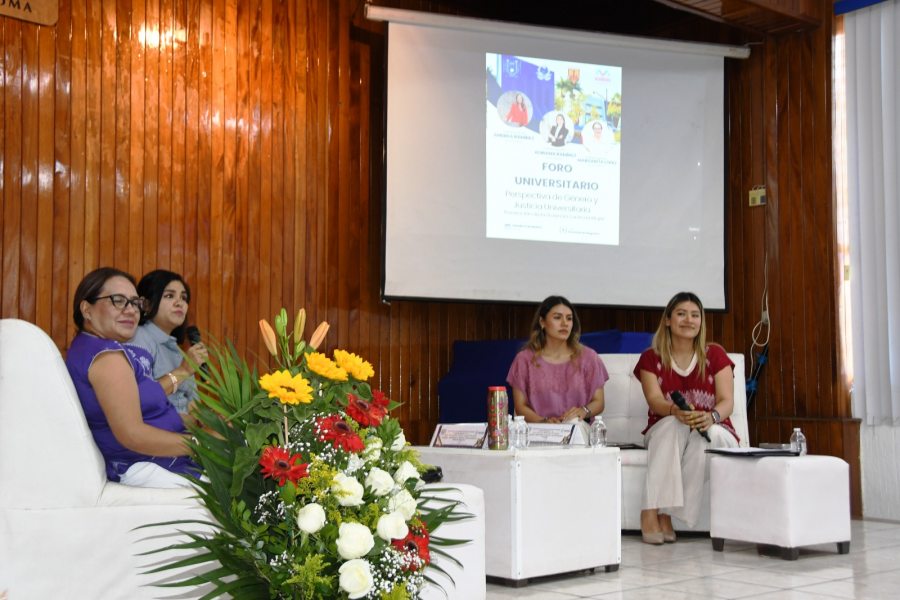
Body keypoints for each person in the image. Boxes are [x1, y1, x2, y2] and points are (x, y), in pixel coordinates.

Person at [65, 267, 198, 488]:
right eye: (118, 300)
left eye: (135, 303)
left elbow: (142, 406)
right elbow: (133, 435)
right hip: (149, 462)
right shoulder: (107, 357)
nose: (131, 310)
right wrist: (202, 443)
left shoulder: (101, 347)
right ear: (87, 309)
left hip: (162, 454)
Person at [633, 291, 739, 544]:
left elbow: (727, 402)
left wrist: (711, 417)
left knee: (705, 436)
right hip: (666, 427)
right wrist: (675, 411)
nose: (689, 320)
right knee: (673, 426)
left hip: (715, 427)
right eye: (681, 314)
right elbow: (655, 401)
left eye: (695, 315)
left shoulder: (715, 355)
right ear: (668, 320)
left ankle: (666, 513)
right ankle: (651, 512)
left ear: (701, 321)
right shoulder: (651, 358)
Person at [507, 295, 607, 423]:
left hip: (578, 433)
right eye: (557, 317)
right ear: (542, 322)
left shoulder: (589, 357)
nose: (565, 323)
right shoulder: (524, 359)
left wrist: (584, 411)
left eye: (569, 319)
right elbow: (520, 407)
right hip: (539, 433)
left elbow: (599, 402)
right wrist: (543, 422)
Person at [131, 269, 207, 414]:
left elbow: (193, 406)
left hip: (186, 431)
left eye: (184, 298)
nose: (180, 303)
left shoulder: (180, 351)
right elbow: (139, 401)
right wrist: (183, 371)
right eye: (169, 296)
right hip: (160, 432)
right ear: (146, 304)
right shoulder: (139, 338)